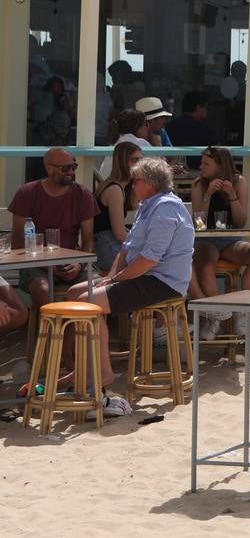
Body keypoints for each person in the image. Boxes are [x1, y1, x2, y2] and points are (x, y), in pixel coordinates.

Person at [66, 157, 194, 416]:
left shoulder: (166, 209)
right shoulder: (149, 205)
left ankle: (101, 375)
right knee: (73, 294)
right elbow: (127, 249)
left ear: (150, 183)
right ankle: (78, 368)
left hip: (162, 281)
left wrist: (115, 279)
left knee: (91, 303)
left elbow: (149, 260)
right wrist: (111, 276)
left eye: (136, 181)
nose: (132, 186)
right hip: (143, 275)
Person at [8, 148, 98, 313]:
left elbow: (88, 240)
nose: (71, 172)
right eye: (65, 169)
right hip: (35, 264)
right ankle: (50, 334)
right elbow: (17, 243)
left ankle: (75, 335)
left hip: (71, 263)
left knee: (96, 289)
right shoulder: (27, 193)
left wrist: (79, 264)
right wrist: (44, 264)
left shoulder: (83, 194)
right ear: (49, 169)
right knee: (42, 288)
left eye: (74, 167)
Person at [190, 146, 250, 338]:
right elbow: (198, 224)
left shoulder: (239, 181)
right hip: (206, 239)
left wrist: (232, 195)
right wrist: (207, 195)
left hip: (231, 238)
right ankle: (216, 315)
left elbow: (241, 221)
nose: (201, 166)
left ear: (220, 165)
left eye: (206, 163)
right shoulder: (199, 184)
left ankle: (242, 312)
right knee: (205, 263)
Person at [93, 141, 142, 271]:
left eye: (141, 160)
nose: (139, 164)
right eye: (134, 160)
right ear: (122, 162)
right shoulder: (114, 189)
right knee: (152, 264)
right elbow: (119, 234)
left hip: (110, 243)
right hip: (105, 247)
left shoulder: (124, 188)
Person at [98, 109, 152, 177]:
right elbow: (157, 172)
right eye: (146, 124)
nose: (148, 127)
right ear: (138, 126)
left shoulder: (115, 143)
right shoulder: (142, 144)